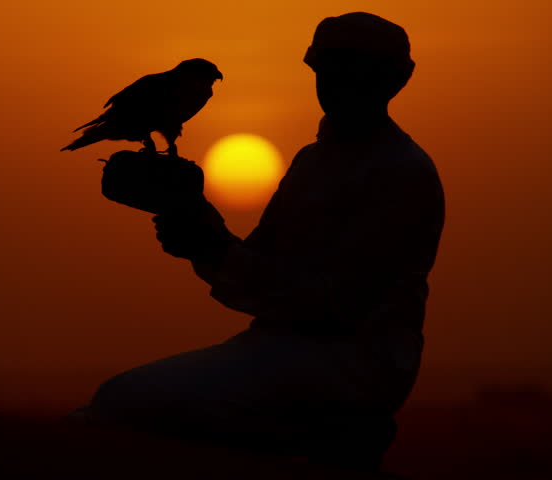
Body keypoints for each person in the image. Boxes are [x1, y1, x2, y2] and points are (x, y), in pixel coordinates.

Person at [66, 12, 445, 472]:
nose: (337, 81)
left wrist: (211, 246)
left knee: (124, 404)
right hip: (274, 346)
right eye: (329, 68)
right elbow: (263, 267)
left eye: (354, 69)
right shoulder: (313, 160)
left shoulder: (402, 173)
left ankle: (342, 435)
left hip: (355, 362)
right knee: (103, 407)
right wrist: (191, 219)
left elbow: (331, 305)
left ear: (393, 80)